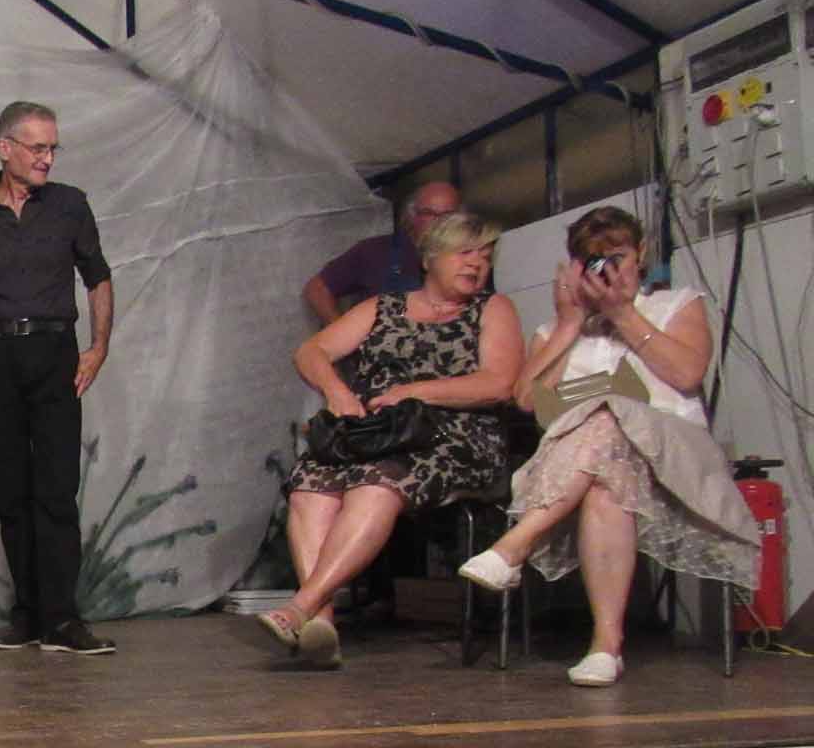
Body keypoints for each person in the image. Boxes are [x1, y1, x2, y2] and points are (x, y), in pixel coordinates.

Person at [458, 206, 760, 686]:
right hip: (586, 468)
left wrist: (623, 313)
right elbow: (527, 400)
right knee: (607, 481)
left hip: (672, 453)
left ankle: (515, 545)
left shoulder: (676, 305)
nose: (606, 272)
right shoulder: (554, 331)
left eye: (615, 258)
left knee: (607, 412)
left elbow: (686, 374)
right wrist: (569, 325)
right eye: (592, 261)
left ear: (640, 254)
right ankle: (606, 646)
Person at [258, 211, 524, 668]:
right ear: (430, 258)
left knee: (377, 483)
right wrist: (338, 392)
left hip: (452, 436)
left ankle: (302, 606)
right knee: (309, 485)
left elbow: (498, 383)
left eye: (485, 255)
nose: (476, 263)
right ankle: (322, 627)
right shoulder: (383, 307)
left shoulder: (493, 309)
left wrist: (413, 391)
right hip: (379, 432)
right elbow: (311, 351)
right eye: (465, 252)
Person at [0, 100, 116, 656]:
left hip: (54, 351)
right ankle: (29, 616)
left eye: (53, 148)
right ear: (4, 148)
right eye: (38, 148)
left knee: (56, 490)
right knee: (12, 489)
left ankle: (63, 620)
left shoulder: (70, 205)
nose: (48, 158)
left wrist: (99, 346)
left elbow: (98, 277)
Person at [302, 181, 462, 325]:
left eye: (448, 216)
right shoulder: (375, 250)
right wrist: (341, 334)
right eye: (429, 213)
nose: (439, 222)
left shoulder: (468, 259)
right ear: (412, 216)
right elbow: (317, 289)